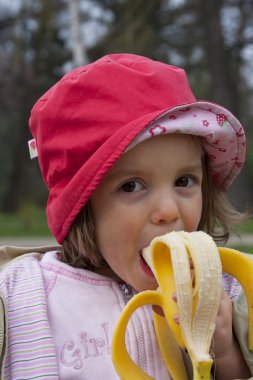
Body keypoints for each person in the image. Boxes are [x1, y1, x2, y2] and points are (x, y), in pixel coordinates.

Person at [0, 53, 252, 380]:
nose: (168, 211)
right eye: (132, 186)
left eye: (184, 181)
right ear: (80, 206)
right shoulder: (21, 301)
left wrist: (226, 349)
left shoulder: (227, 294)